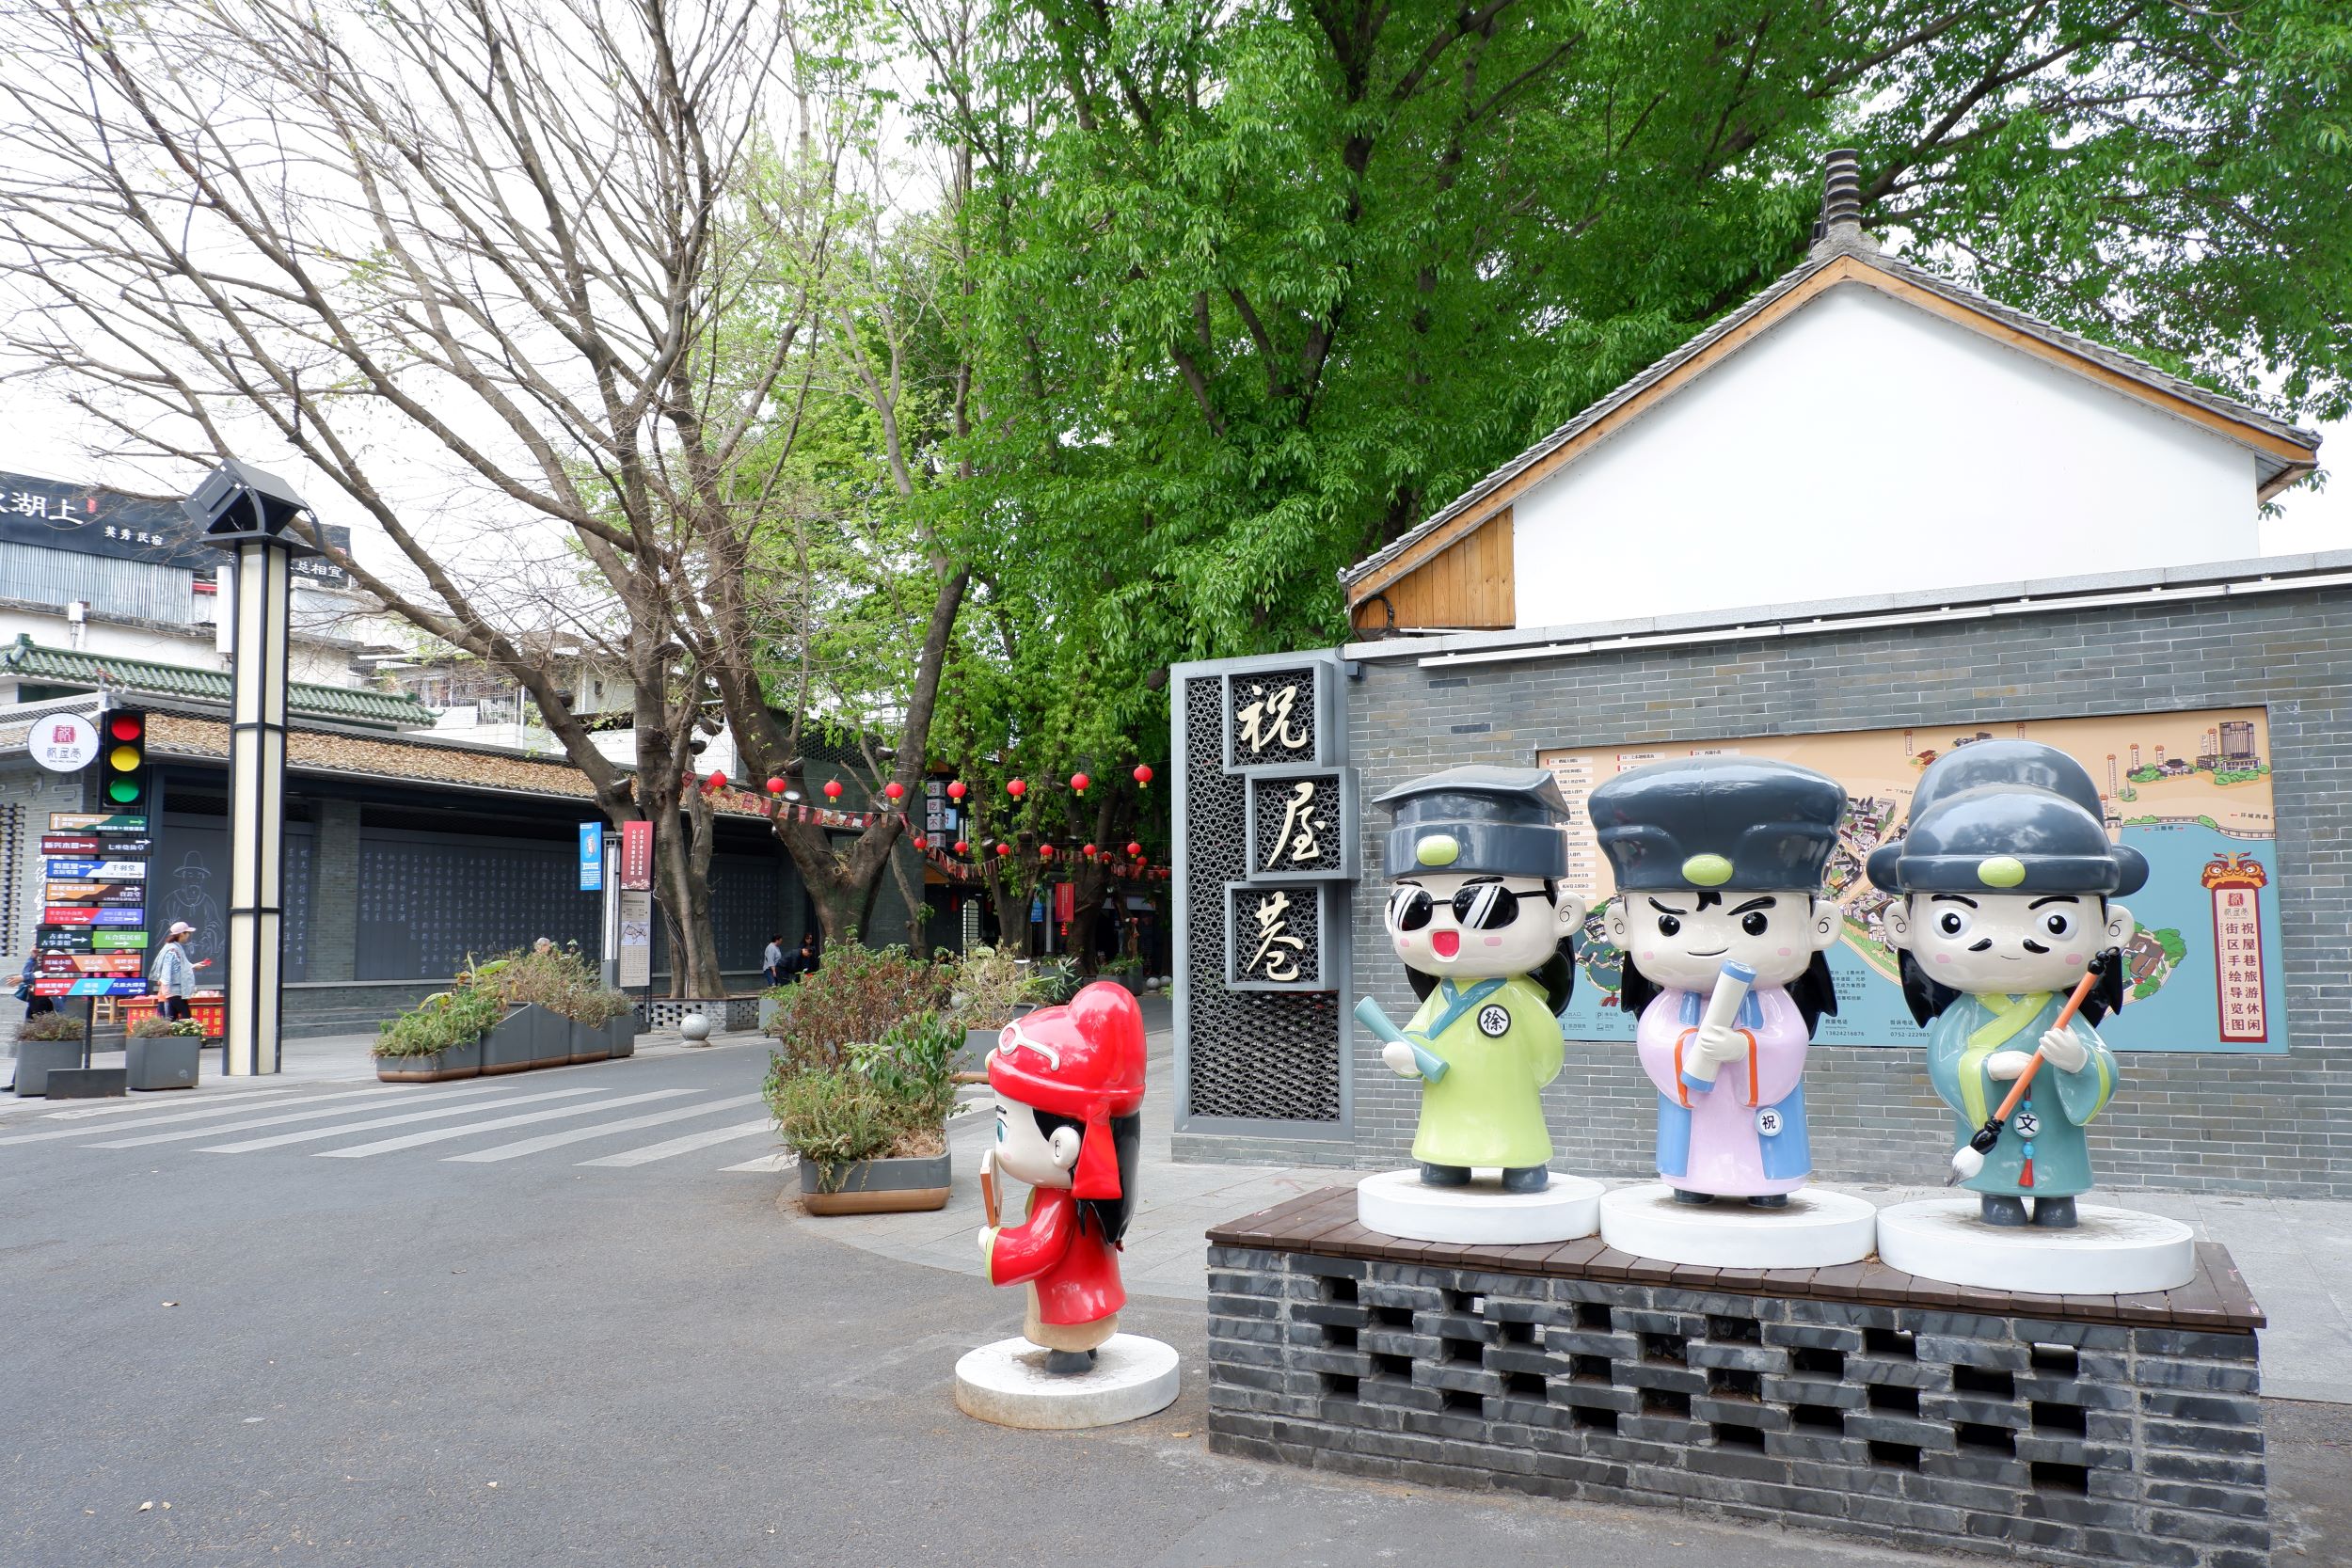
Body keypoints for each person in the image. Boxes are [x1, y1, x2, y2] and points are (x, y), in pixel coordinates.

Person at [1867, 741, 2140, 1229]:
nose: (2009, 944)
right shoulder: (1967, 1013)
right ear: (1901, 926)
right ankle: (1999, 1196)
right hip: (1993, 1127)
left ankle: (2057, 1198)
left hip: (2053, 1121)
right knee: (2001, 1200)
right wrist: (1985, 1066)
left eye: (2055, 923)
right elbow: (1946, 1062)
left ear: (2111, 929)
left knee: (2059, 1201)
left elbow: (2103, 1066)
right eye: (1954, 921)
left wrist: (2079, 1062)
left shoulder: (2060, 1010)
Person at [1588, 757, 1847, 1208]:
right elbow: (1655, 1041)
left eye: (1753, 923)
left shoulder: (1772, 1002)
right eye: (1670, 924)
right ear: (1621, 928)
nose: (1710, 944)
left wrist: (1744, 1048)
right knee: (1691, 1157)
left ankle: (1767, 1186)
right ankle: (1691, 1180)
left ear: (1818, 926)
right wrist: (1688, 1045)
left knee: (1765, 1151)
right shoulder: (1672, 1004)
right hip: (1695, 1117)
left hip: (1759, 1114)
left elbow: (1788, 1042)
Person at [1365, 767, 1588, 1193]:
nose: (1442, 930)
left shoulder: (1521, 997)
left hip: (1509, 1100)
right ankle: (1446, 1159)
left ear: (1563, 914)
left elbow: (1546, 1058)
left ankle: (1521, 1163)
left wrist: (1530, 1071)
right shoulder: (1441, 995)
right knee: (1444, 1136)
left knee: (1515, 1135)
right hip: (1447, 1104)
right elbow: (1421, 1033)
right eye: (1414, 909)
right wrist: (1406, 1055)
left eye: (1483, 906)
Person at [150, 920, 205, 1022]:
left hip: (175, 989)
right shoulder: (172, 949)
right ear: (182, 934)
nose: (188, 936)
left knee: (173, 1018)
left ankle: (171, 1031)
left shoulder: (174, 947)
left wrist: (194, 966)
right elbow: (171, 968)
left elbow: (180, 965)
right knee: (186, 1016)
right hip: (174, 989)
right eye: (187, 933)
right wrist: (165, 983)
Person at [16, 950, 56, 1018]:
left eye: (41, 960)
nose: (39, 961)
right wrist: (32, 957)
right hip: (33, 1002)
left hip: (44, 1002)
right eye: (38, 959)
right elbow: (25, 977)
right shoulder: (36, 966)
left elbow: (28, 977)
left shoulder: (51, 970)